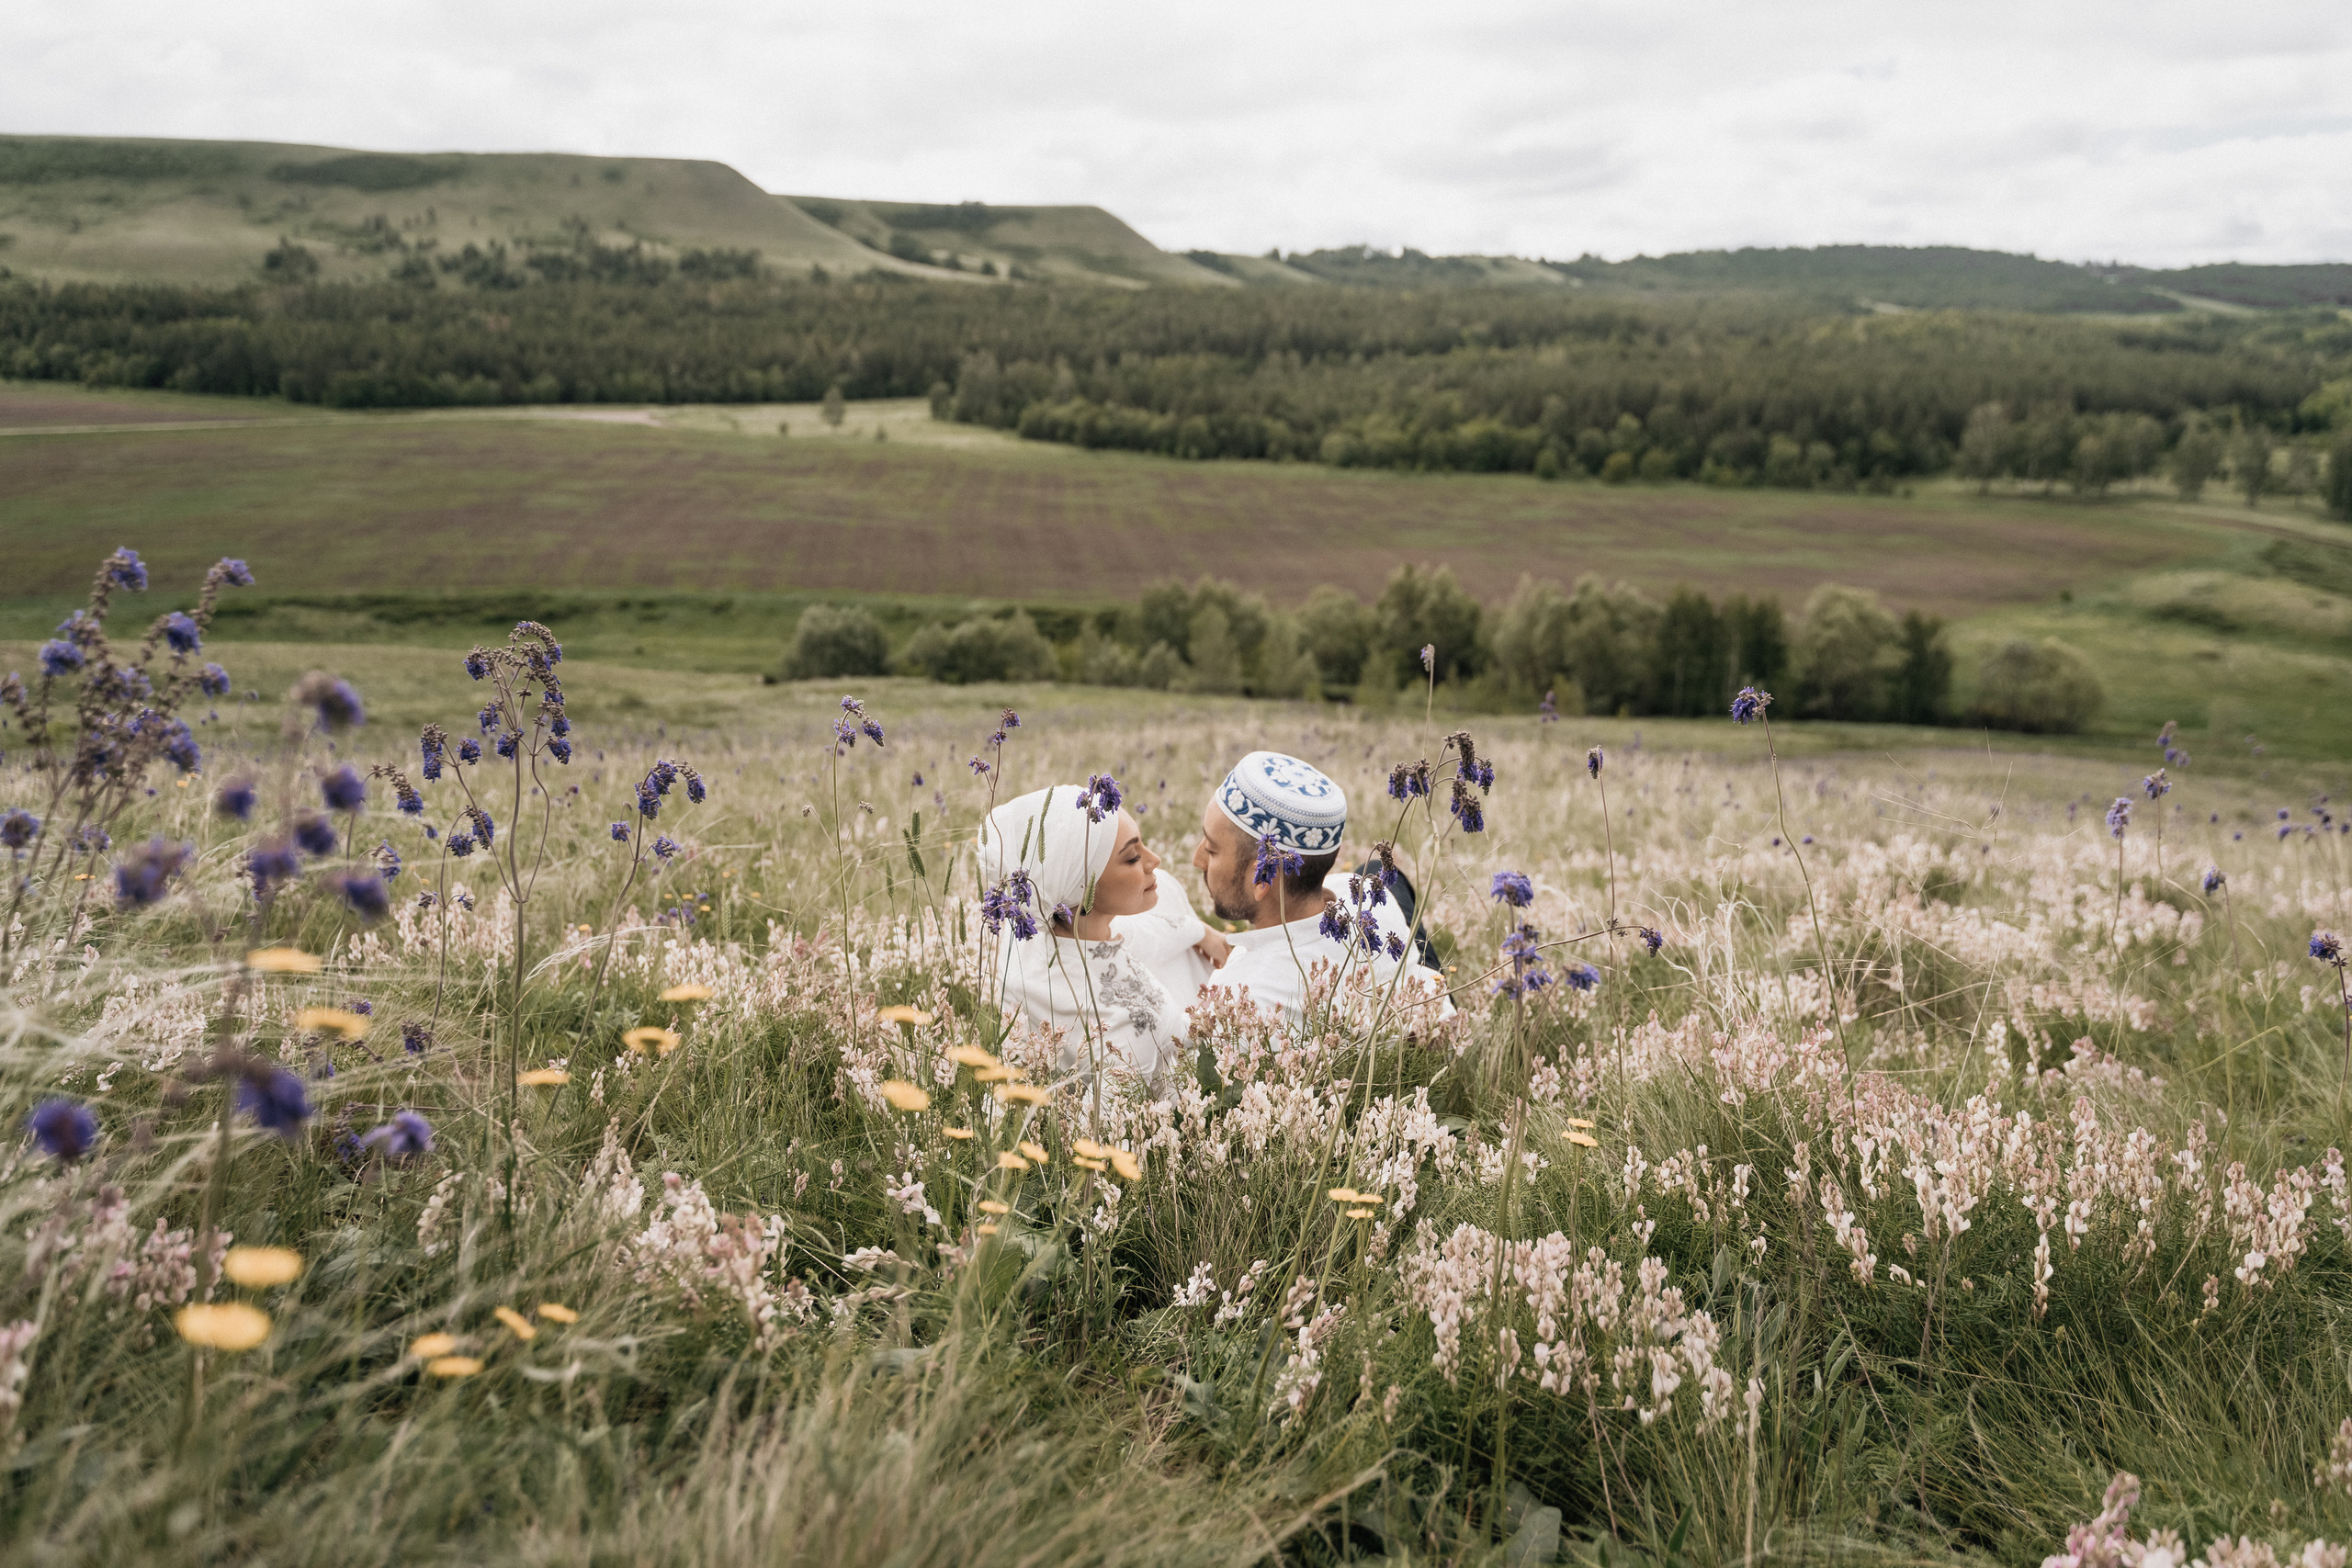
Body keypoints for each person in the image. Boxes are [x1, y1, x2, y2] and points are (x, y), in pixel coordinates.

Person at [975, 783, 1228, 1079]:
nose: (1154, 861)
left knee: (1167, 891)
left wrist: (1199, 932)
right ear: (1083, 887)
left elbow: (1129, 933)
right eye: (1133, 857)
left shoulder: (1030, 930)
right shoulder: (1128, 1025)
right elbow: (1098, 1124)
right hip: (1198, 1088)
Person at [1192, 750, 1452, 1025]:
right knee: (1376, 870)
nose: (1198, 860)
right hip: (1431, 1003)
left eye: (1211, 849)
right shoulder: (1370, 899)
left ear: (1262, 878)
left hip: (1419, 1020)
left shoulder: (1240, 993)